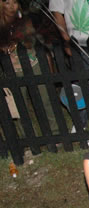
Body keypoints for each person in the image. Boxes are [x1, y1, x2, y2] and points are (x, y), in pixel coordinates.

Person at [0, 0, 59, 135]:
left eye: (14, 3)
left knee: (46, 100)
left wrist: (16, 40)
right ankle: (28, 138)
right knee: (20, 106)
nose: (11, 7)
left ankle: (55, 132)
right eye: (7, 3)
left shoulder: (24, 19)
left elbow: (32, 40)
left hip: (34, 64)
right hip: (13, 70)